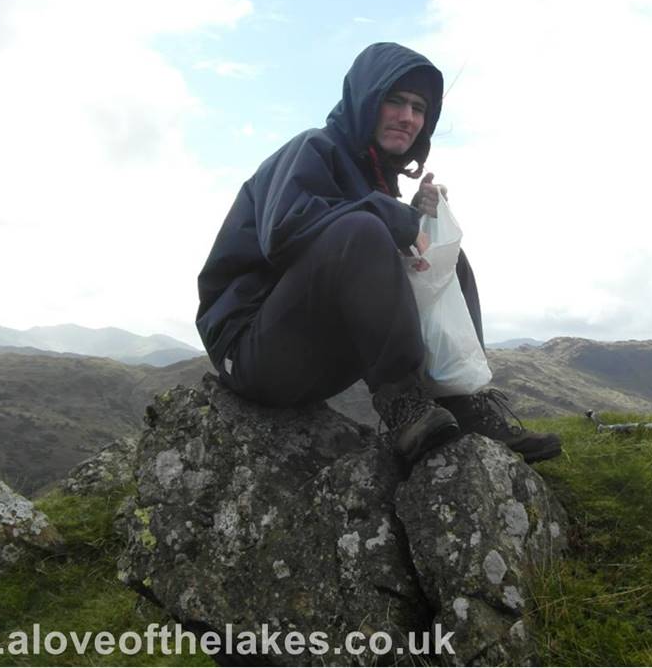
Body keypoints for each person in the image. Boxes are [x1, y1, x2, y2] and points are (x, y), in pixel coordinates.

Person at [196, 42, 560, 465]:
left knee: (445, 260)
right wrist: (389, 214)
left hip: (311, 355)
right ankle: (403, 406)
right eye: (395, 101)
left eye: (419, 108)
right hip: (250, 353)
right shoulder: (312, 149)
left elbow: (353, 248)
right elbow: (285, 232)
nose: (408, 117)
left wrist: (411, 217)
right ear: (366, 99)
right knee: (365, 229)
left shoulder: (373, 180)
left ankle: (462, 401)